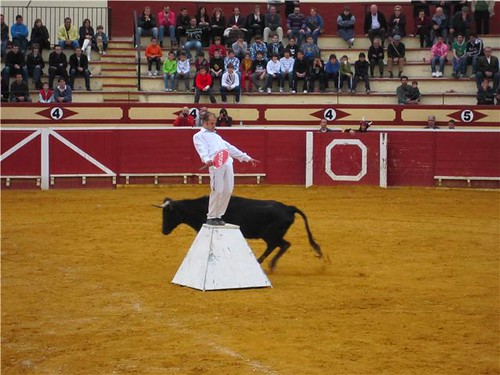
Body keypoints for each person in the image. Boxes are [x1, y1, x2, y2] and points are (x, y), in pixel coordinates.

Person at [192, 111, 257, 225]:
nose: (214, 126)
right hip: (216, 164)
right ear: (206, 123)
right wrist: (207, 160)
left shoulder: (217, 136)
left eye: (214, 123)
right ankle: (211, 216)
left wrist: (247, 158)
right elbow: (201, 149)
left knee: (228, 190)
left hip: (227, 162)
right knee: (218, 190)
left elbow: (230, 148)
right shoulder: (198, 136)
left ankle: (219, 215)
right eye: (212, 123)